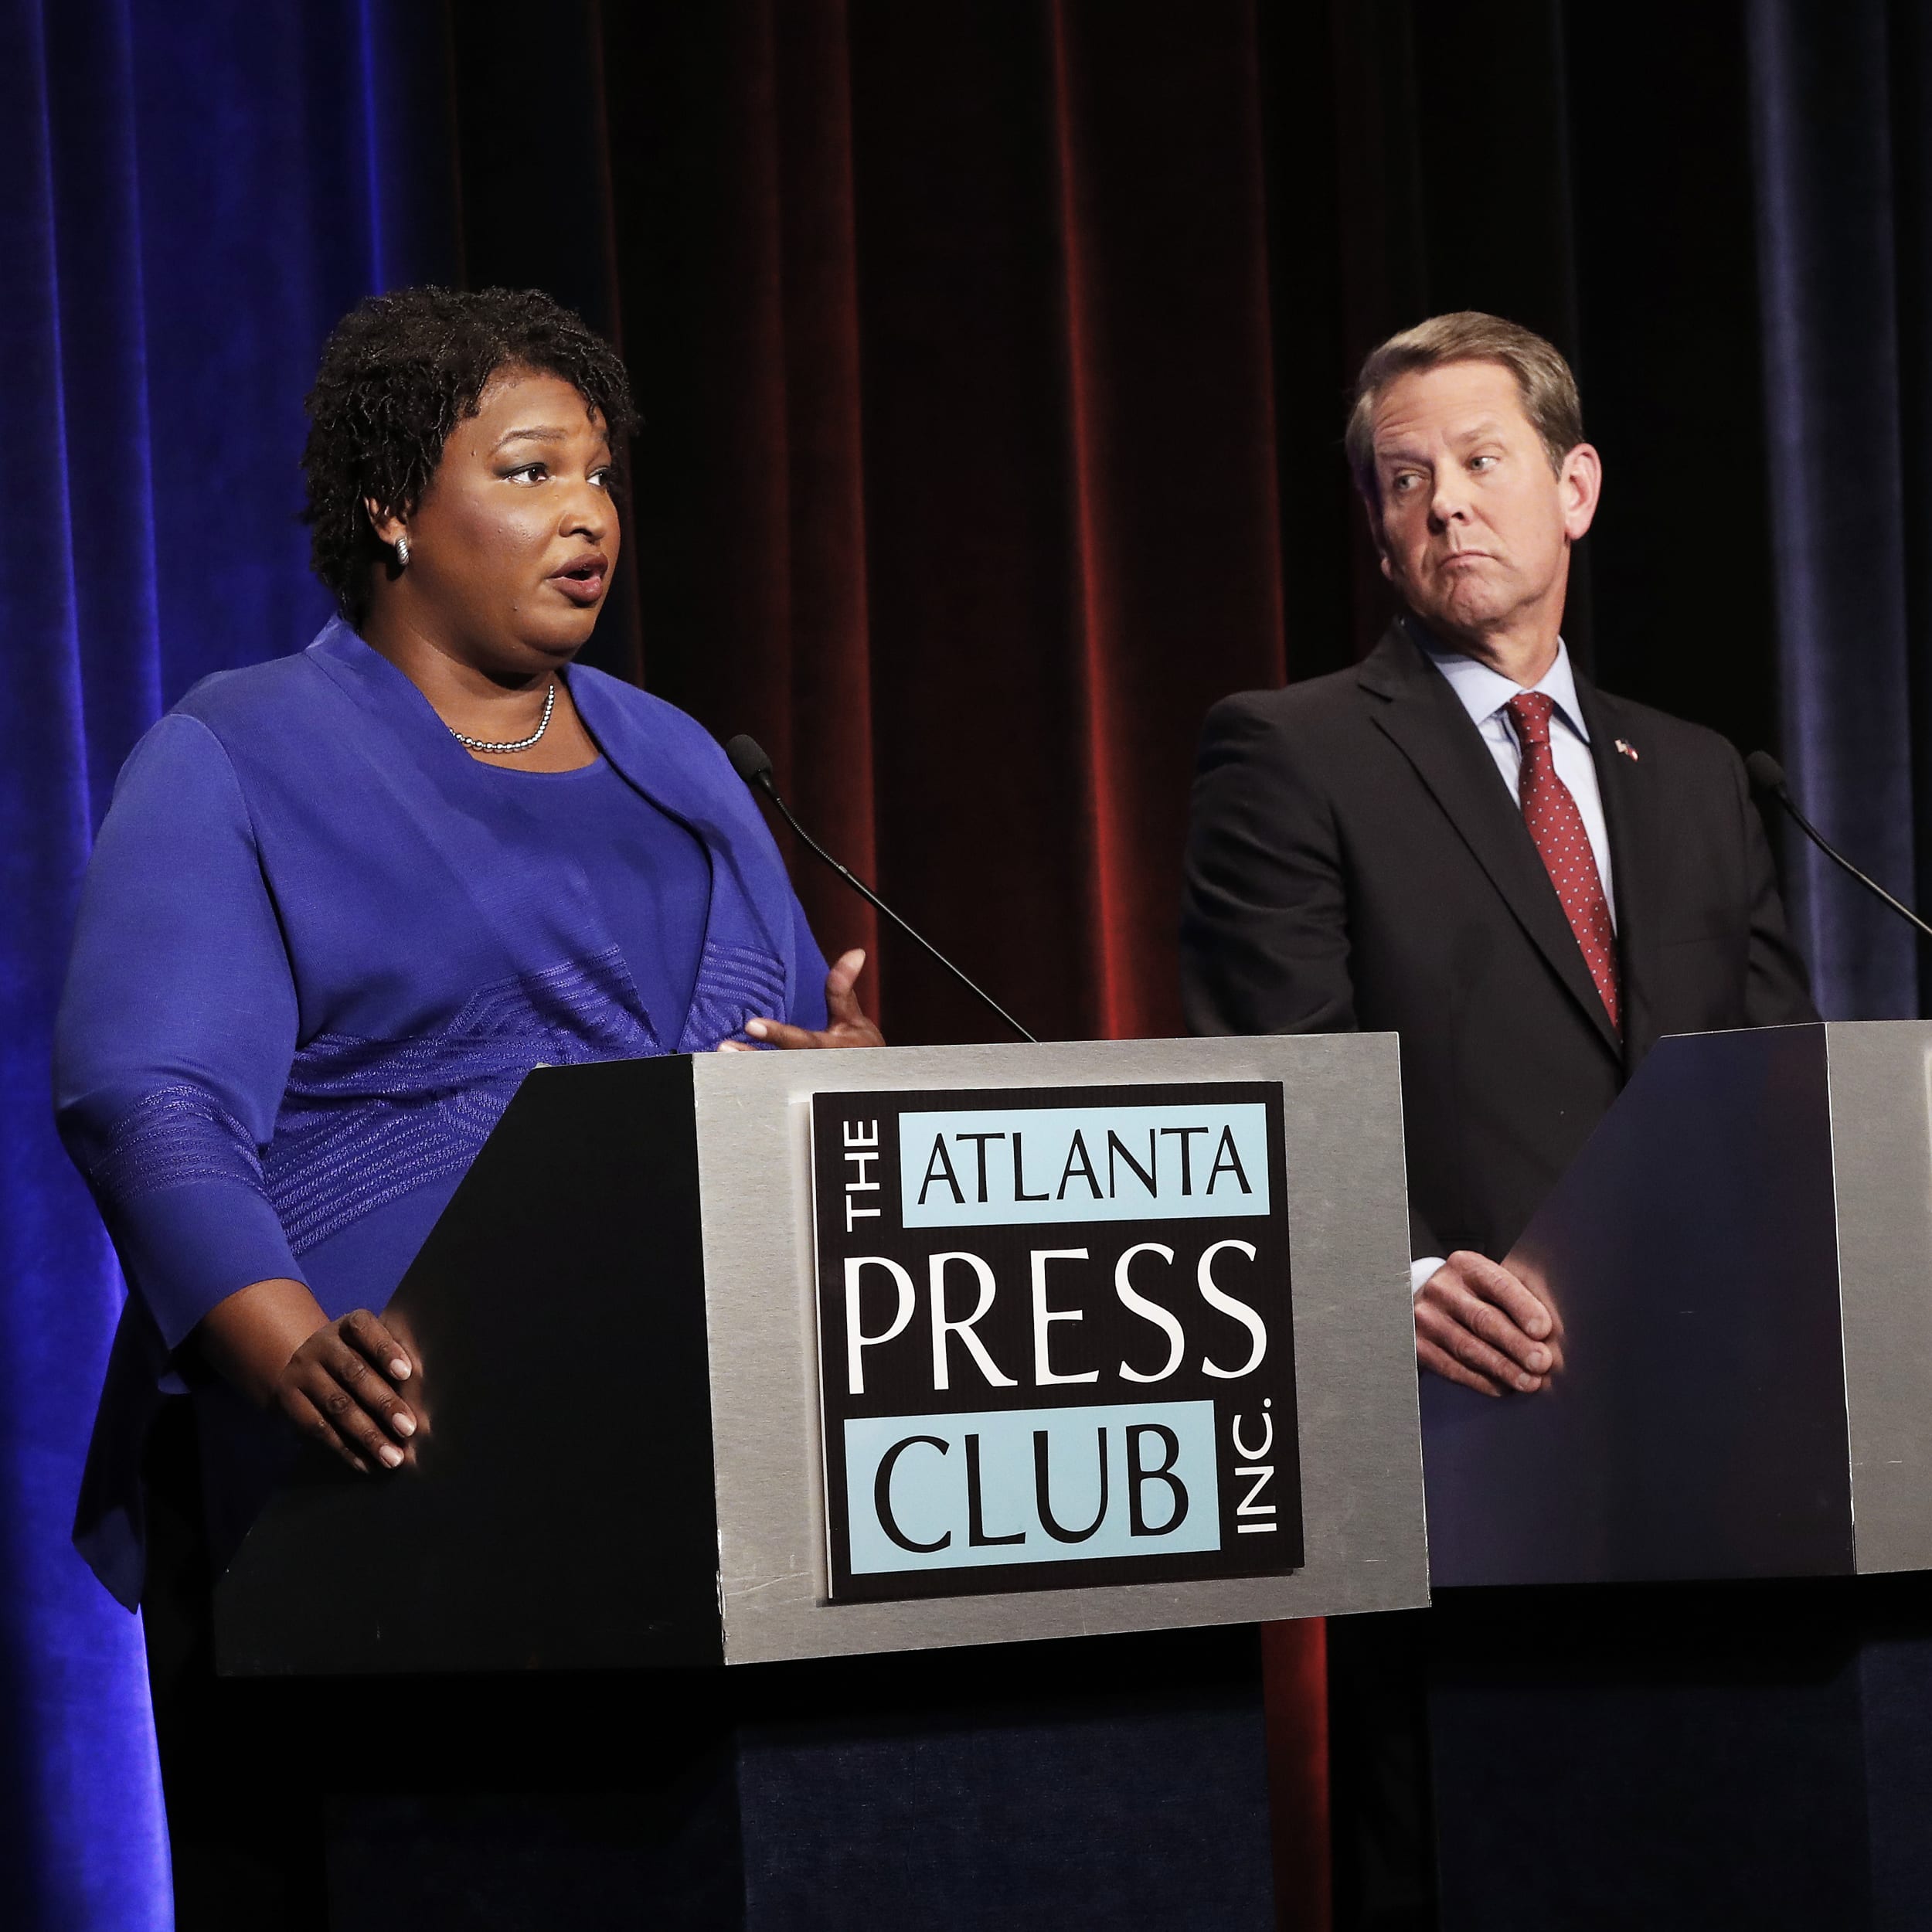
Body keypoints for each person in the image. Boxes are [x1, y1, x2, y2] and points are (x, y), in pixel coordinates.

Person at [54, 285, 880, 1924]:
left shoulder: (682, 763)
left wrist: (842, 1082)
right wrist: (291, 1345)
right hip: (375, 1502)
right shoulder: (240, 754)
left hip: (708, 1493)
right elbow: (146, 1095)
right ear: (390, 507)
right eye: (527, 471)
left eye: (598, 475)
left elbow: (775, 1046)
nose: (586, 513)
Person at [1179, 311, 1817, 1927]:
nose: (1444, 505)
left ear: (1574, 486)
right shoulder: (1293, 749)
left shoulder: (1694, 773)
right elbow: (1274, 1067)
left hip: (1713, 1443)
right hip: (1462, 1420)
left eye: (1479, 463)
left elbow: (1766, 1072)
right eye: (1402, 481)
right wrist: (1394, 1284)